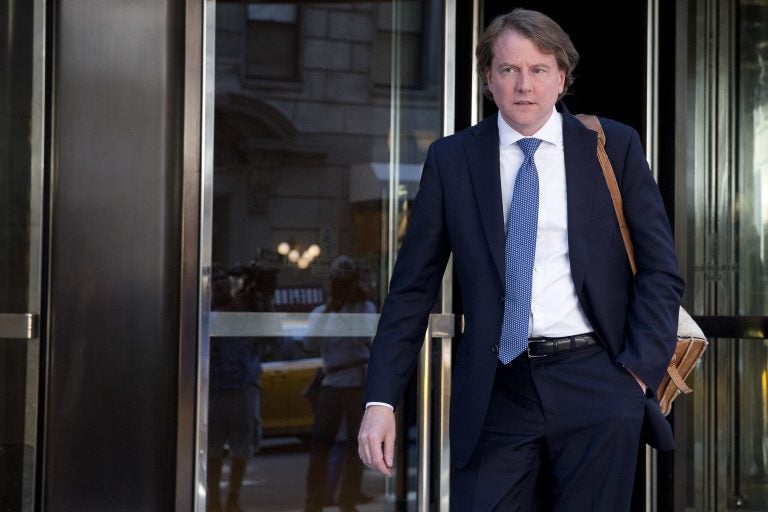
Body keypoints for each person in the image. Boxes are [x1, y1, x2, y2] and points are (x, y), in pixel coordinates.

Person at [357, 8, 684, 512]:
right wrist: (380, 401)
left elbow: (660, 268)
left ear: (562, 77)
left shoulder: (612, 146)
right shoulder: (452, 159)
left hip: (596, 378)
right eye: (509, 69)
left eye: (538, 69)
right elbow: (411, 289)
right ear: (489, 79)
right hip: (496, 390)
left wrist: (636, 373)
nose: (523, 85)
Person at [303, 255, 376, 512]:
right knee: (321, 446)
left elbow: (367, 340)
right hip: (332, 384)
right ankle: (314, 501)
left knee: (356, 447)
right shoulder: (322, 313)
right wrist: (330, 310)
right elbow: (309, 344)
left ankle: (348, 499)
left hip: (356, 382)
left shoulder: (364, 308)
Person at [207, 267, 262, 512]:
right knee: (212, 449)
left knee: (241, 448)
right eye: (215, 284)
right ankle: (213, 500)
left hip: (241, 388)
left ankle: (232, 498)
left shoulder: (246, 311)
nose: (220, 288)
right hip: (214, 390)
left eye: (223, 283)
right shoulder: (206, 314)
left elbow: (269, 339)